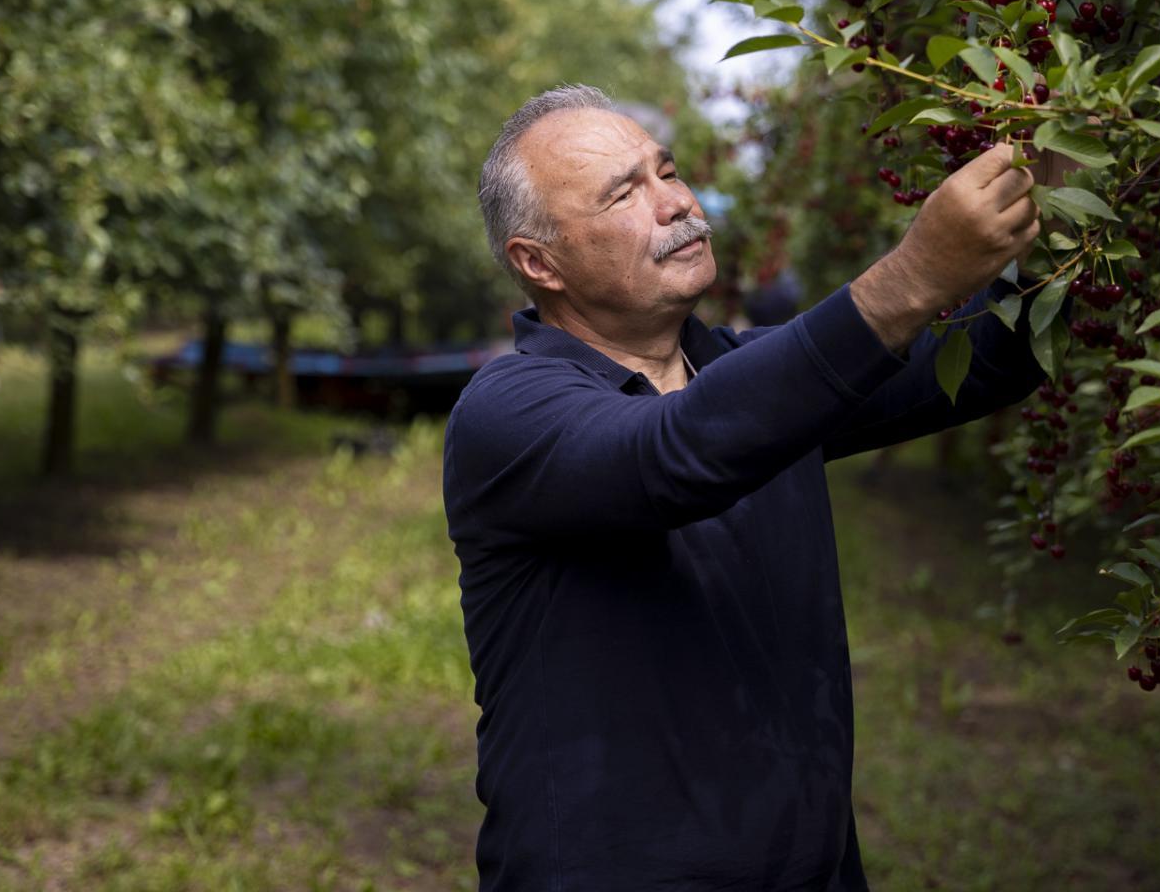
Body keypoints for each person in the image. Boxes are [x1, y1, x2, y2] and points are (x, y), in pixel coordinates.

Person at [444, 84, 1072, 890]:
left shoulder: (750, 379)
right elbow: (677, 453)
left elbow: (987, 358)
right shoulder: (508, 414)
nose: (674, 203)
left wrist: (1058, 218)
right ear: (539, 262)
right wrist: (912, 275)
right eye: (623, 193)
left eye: (666, 171)